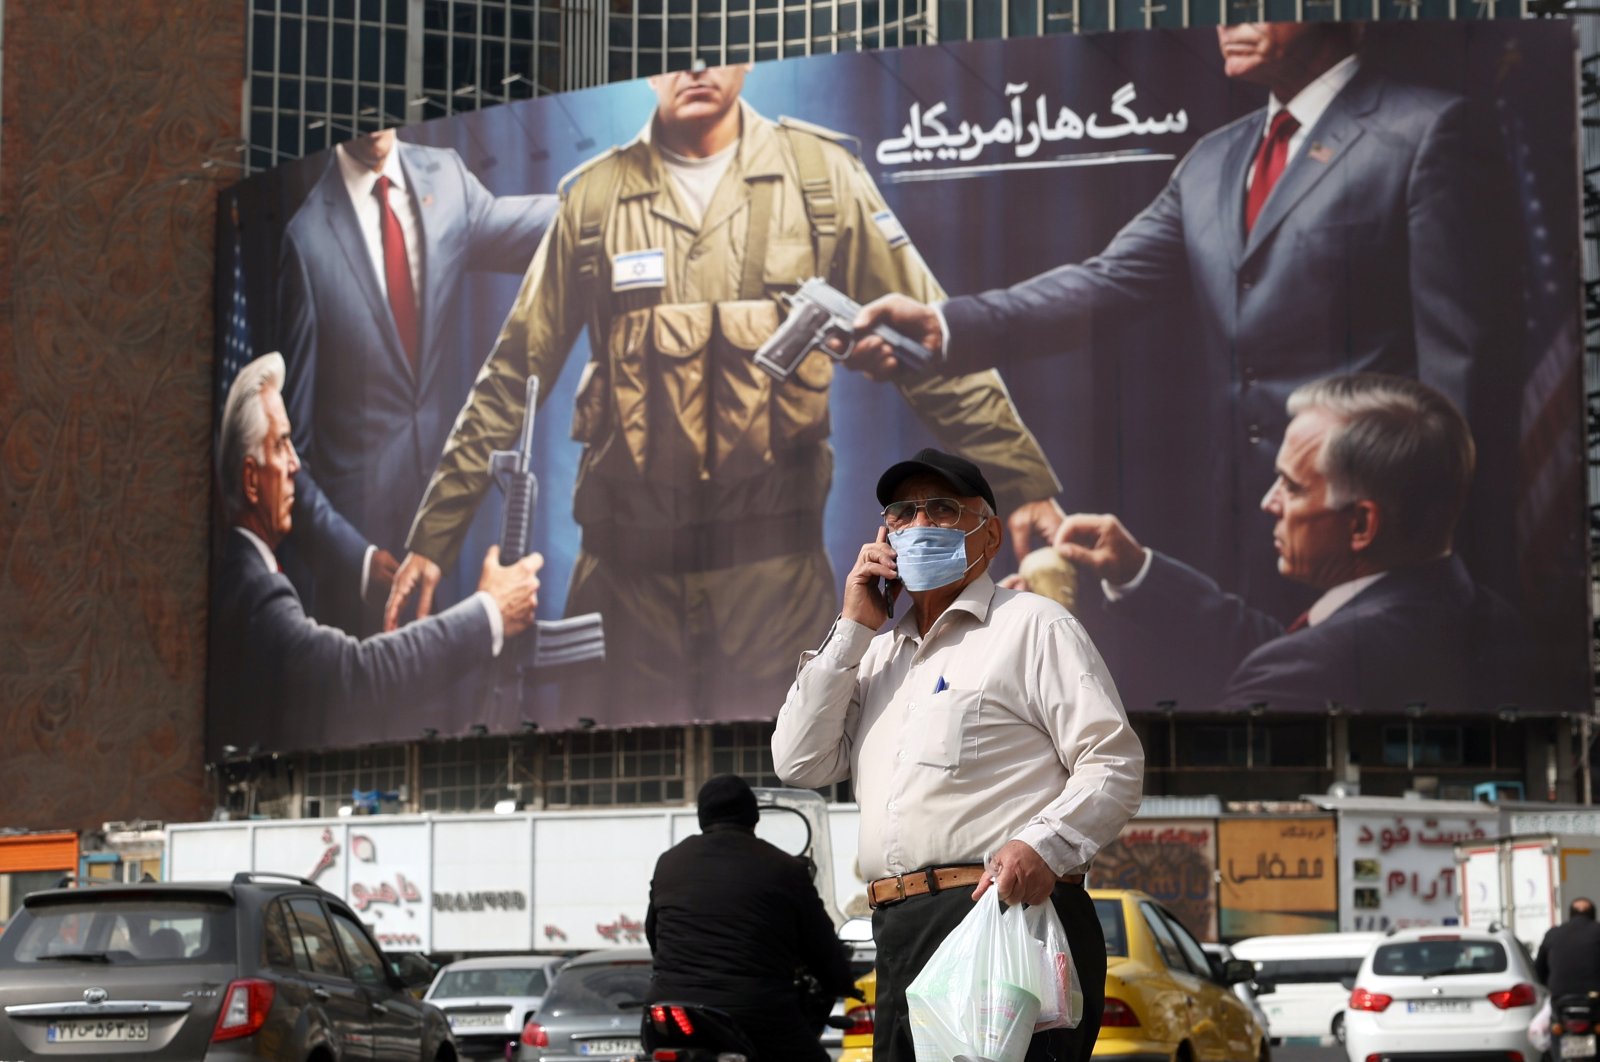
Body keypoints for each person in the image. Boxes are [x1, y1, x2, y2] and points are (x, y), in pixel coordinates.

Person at [386, 63, 1063, 721]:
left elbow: (926, 347)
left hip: (773, 576)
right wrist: (433, 537)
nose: (695, 68)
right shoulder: (594, 198)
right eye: (671, 56)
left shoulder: (820, 177)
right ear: (646, 73)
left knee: (792, 761)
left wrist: (1020, 476)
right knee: (612, 758)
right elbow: (512, 375)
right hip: (627, 575)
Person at [842, 23, 1520, 615]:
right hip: (1247, 525)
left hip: (1379, 529)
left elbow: (1458, 369)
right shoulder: (1217, 158)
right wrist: (943, 325)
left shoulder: (1428, 131)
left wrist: (1437, 535)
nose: (1226, 21)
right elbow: (1105, 284)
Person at [772, 448, 1144, 1062]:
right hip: (899, 927)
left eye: (942, 509)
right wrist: (852, 628)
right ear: (883, 535)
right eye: (903, 512)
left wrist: (1043, 845)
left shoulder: (1032, 626)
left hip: (1004, 915)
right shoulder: (877, 655)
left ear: (989, 534)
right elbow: (799, 762)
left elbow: (1114, 764)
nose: (919, 524)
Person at [1054, 373, 1528, 713]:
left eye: (1292, 487)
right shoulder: (1497, 624)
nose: (1268, 502)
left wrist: (1047, 646)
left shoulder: (1309, 670)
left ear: (1362, 524)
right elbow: (1284, 649)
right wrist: (1136, 572)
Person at [278, 127, 556, 635]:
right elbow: (289, 455)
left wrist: (618, 194)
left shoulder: (445, 177)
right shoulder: (307, 240)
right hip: (363, 581)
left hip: (452, 548)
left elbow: (538, 228)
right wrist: (358, 562)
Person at [206, 353, 545, 755]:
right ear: (250, 479)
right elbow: (359, 678)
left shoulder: (242, 575)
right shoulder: (253, 592)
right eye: (281, 446)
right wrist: (489, 612)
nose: (296, 464)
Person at [643, 774, 853, 1062]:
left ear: (702, 817)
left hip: (668, 1008)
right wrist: (841, 980)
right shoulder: (784, 868)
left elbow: (653, 933)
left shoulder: (669, 862)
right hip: (754, 1011)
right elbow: (820, 944)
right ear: (754, 817)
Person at [1535, 899, 1600, 1004]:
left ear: (1570, 914)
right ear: (1593, 914)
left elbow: (1539, 970)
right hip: (1595, 998)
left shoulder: (1553, 934)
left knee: (1538, 1021)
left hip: (1560, 999)